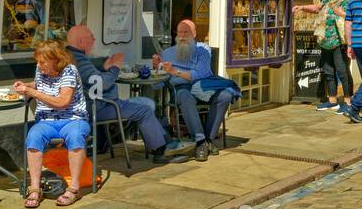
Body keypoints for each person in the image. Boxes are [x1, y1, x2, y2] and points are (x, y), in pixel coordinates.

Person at [66, 24, 182, 163]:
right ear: (81, 42)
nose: (95, 39)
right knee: (144, 109)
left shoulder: (72, 56)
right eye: (92, 37)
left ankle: (164, 143)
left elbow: (91, 75)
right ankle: (160, 152)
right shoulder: (79, 60)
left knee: (145, 104)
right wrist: (115, 68)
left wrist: (104, 66)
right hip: (99, 107)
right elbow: (101, 83)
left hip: (96, 104)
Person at [16, 40, 89, 207]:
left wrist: (31, 92)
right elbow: (41, 85)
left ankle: (74, 188)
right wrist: (26, 85)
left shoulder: (69, 70)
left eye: (42, 62)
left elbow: (62, 101)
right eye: (38, 62)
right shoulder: (41, 70)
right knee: (33, 136)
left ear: (56, 59)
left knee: (76, 136)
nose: (39, 65)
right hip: (46, 119)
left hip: (73, 118)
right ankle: (35, 188)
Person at [157, 19, 242, 159]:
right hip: (180, 89)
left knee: (225, 95)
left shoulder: (202, 51)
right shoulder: (167, 53)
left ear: (194, 34)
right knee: (184, 95)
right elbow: (158, 83)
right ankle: (200, 141)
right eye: (180, 32)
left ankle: (208, 139)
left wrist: (175, 71)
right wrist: (156, 69)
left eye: (187, 32)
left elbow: (201, 73)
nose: (183, 35)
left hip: (203, 87)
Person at [293, 0, 353, 110]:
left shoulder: (349, 1)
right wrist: (301, 7)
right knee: (328, 71)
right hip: (325, 40)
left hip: (340, 42)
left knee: (342, 72)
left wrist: (342, 14)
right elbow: (317, 8)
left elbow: (354, 19)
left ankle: (348, 102)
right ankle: (332, 101)